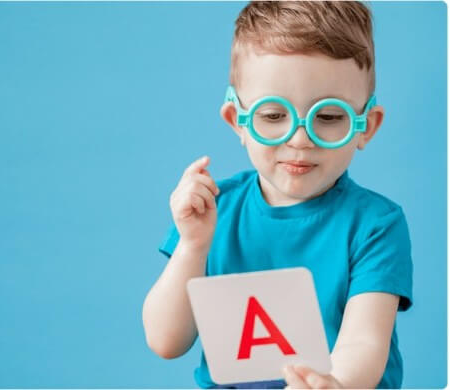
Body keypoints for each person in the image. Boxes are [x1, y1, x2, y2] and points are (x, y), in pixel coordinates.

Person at [142, 1, 413, 389]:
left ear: (365, 126)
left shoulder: (376, 225)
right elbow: (166, 340)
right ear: (238, 121)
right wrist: (191, 246)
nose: (299, 139)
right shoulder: (214, 212)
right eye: (273, 116)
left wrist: (333, 383)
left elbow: (365, 342)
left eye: (329, 117)